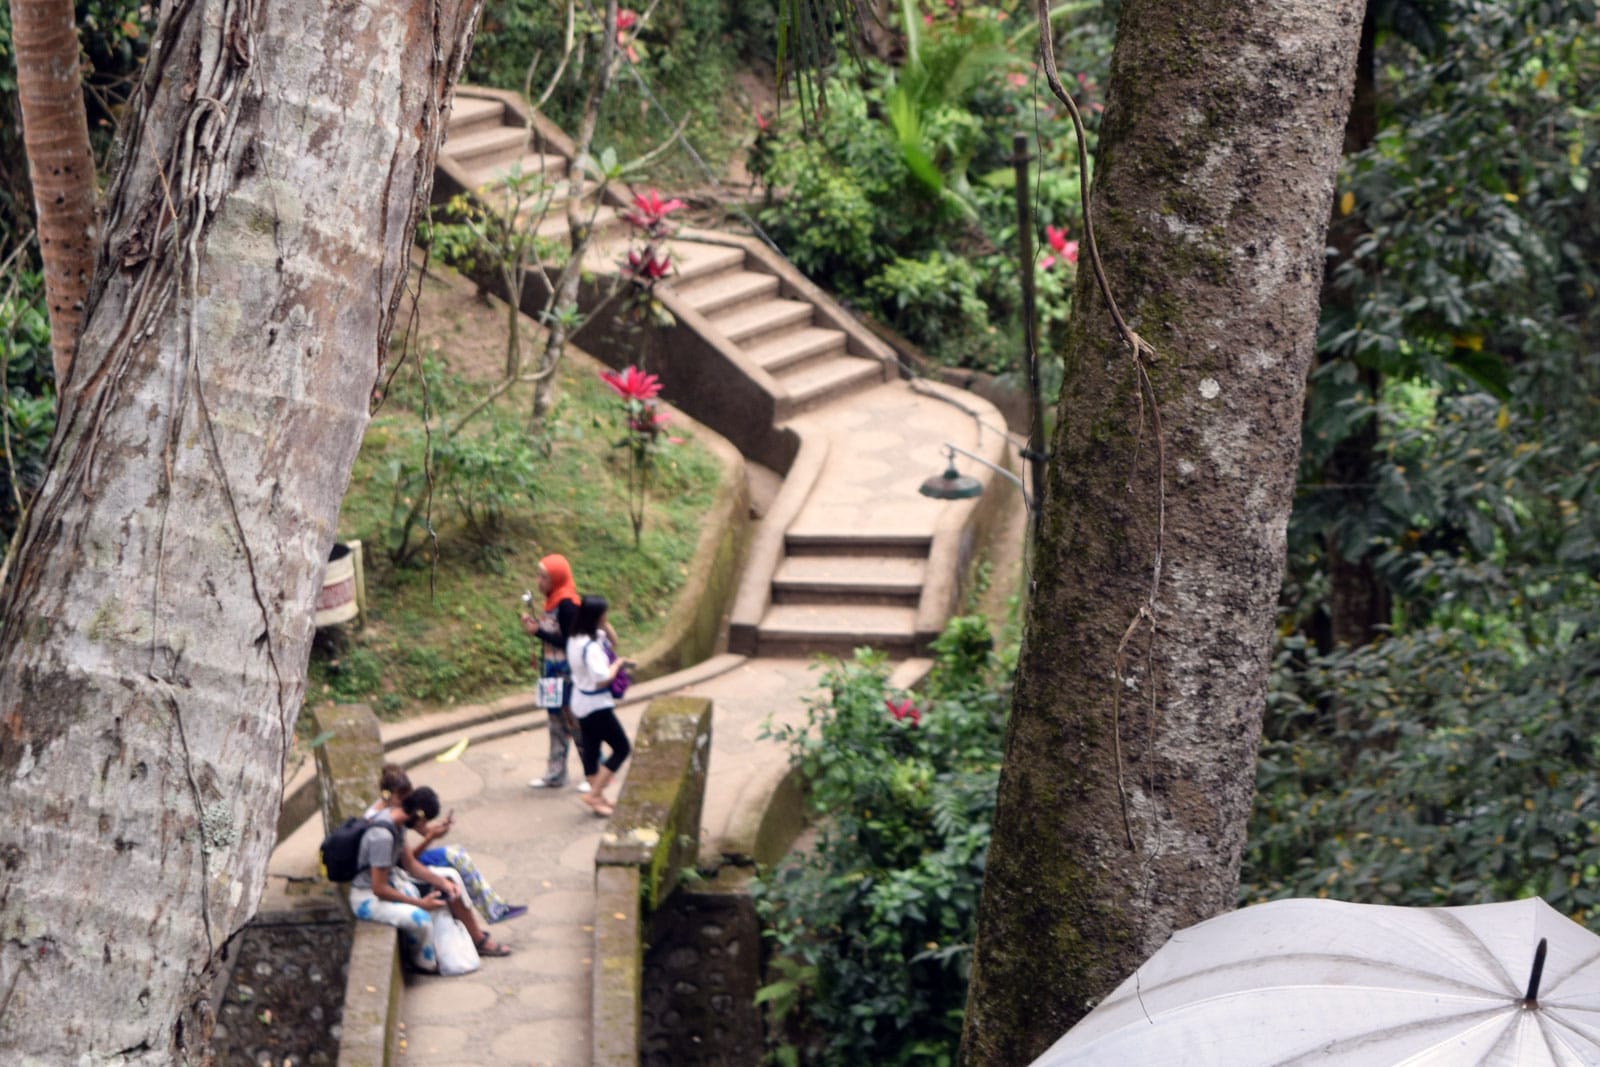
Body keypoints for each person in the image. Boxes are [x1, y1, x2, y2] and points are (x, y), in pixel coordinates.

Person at [350, 785, 512, 969]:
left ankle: (476, 940)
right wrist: (420, 903)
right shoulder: (382, 836)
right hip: (367, 897)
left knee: (449, 881)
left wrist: (442, 883)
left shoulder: (398, 824)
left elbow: (410, 865)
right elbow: (379, 889)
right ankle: (425, 965)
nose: (423, 827)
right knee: (420, 919)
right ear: (418, 816)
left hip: (395, 881)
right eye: (424, 822)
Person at [364, 764, 526, 925]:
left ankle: (493, 908)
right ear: (389, 795)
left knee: (457, 854)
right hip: (395, 868)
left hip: (405, 862)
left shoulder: (398, 808)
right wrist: (430, 838)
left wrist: (439, 829)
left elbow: (422, 829)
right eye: (404, 799)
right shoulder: (382, 823)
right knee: (454, 859)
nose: (408, 803)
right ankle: (491, 913)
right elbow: (407, 862)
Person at [566, 594, 634, 817]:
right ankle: (594, 794)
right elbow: (602, 678)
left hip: (580, 703)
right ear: (595, 617)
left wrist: (604, 624)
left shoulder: (576, 639)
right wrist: (618, 664)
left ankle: (598, 797)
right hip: (596, 705)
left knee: (592, 749)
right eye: (604, 614)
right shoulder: (591, 648)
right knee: (622, 748)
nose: (607, 616)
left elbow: (613, 641)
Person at [521, 554, 583, 790]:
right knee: (555, 722)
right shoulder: (551, 601)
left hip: (567, 672)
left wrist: (538, 632)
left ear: (556, 578)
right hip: (551, 671)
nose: (538, 581)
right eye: (538, 575)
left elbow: (569, 641)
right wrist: (536, 626)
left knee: (575, 721)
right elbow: (552, 633)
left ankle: (595, 773)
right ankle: (556, 774)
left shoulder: (567, 604)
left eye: (543, 577)